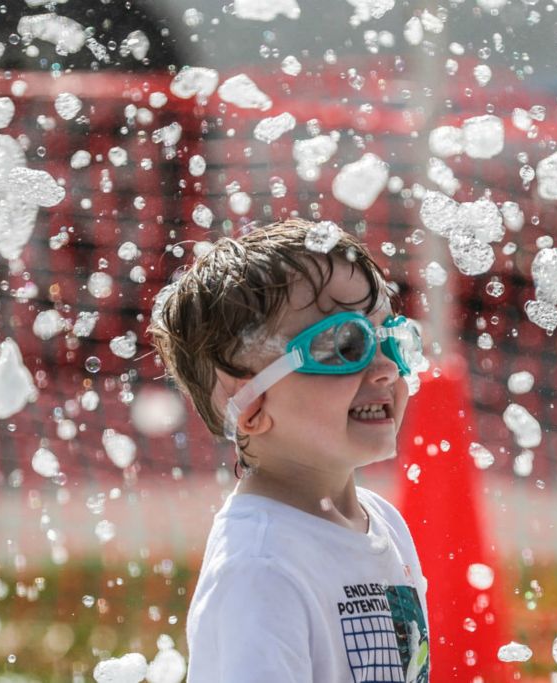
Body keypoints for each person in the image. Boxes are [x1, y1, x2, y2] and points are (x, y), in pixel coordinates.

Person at [148, 218, 431, 682]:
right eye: (345, 344)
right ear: (252, 404)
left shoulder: (384, 523)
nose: (384, 369)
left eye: (389, 340)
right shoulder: (261, 571)